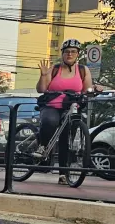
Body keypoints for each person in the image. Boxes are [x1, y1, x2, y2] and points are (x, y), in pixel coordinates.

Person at [36, 39, 93, 185]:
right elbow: (41, 89)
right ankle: (42, 146)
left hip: (72, 107)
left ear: (78, 54)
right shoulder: (55, 69)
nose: (70, 54)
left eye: (73, 52)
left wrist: (95, 90)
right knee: (51, 121)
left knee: (66, 140)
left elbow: (87, 90)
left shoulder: (82, 70)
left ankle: (63, 174)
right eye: (67, 51)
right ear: (62, 54)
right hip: (53, 105)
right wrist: (43, 76)